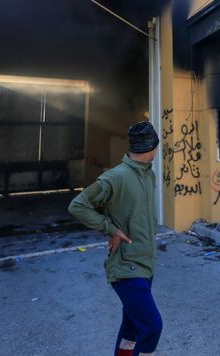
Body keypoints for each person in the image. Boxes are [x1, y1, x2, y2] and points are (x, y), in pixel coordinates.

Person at [68, 121, 162, 356]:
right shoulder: (116, 177)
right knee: (152, 326)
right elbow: (78, 205)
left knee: (131, 327)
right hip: (126, 268)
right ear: (152, 147)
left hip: (145, 265)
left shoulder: (149, 176)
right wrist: (110, 228)